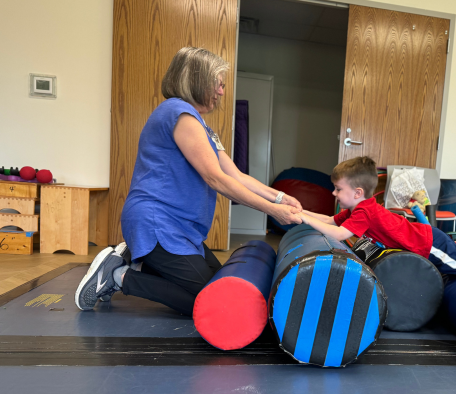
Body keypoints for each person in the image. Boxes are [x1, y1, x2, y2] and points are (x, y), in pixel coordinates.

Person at [75, 47, 302, 315]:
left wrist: (278, 197)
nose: (221, 92)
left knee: (222, 286)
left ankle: (141, 265)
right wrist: (273, 211)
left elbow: (236, 175)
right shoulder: (178, 113)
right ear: (198, 79)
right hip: (158, 224)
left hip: (181, 229)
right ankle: (119, 276)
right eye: (218, 84)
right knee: (215, 303)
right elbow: (215, 178)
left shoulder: (200, 125)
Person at [298, 156, 456, 315]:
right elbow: (331, 221)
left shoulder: (363, 212)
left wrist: (304, 218)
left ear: (357, 192)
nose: (333, 193)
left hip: (429, 244)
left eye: (337, 189)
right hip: (428, 238)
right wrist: (301, 211)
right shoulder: (358, 208)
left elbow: (339, 233)